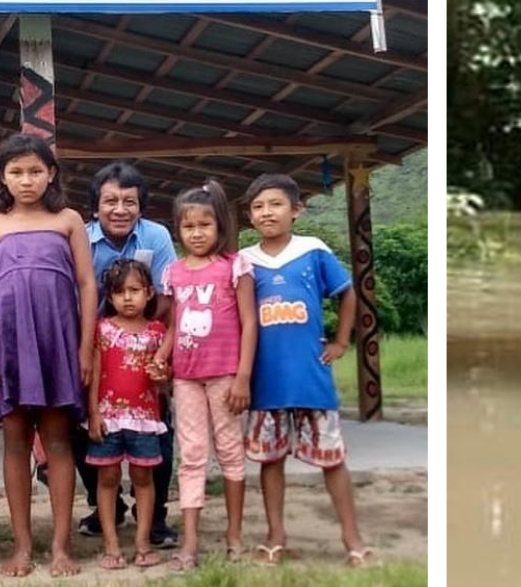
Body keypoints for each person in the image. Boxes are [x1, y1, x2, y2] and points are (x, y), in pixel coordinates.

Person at [0, 133, 98, 577]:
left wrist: (84, 347)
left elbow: (86, 284)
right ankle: (22, 546)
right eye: (16, 172)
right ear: (3, 178)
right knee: (17, 442)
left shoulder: (69, 220)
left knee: (60, 442)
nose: (26, 181)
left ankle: (62, 546)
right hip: (6, 345)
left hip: (57, 342)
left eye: (35, 171)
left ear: (51, 174)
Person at [239, 174, 374, 567]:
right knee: (270, 460)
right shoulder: (246, 261)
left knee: (333, 459)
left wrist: (341, 341)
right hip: (267, 382)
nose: (268, 212)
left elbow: (348, 292)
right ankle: (275, 535)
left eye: (276, 204)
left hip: (312, 377)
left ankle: (352, 538)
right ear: (250, 217)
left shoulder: (313, 251)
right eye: (259, 207)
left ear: (296, 210)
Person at [76, 162, 178, 547]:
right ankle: (106, 507)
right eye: (110, 201)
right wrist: (90, 347)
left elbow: (167, 296)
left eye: (129, 201)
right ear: (95, 206)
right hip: (93, 343)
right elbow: (72, 298)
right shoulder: (80, 239)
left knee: (158, 433)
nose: (120, 209)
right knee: (85, 432)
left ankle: (154, 519)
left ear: (141, 206)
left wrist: (153, 344)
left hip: (146, 344)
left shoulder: (157, 235)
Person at [156, 180, 257, 571]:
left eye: (205, 225)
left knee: (231, 453)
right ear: (178, 230)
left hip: (226, 377)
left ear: (220, 227)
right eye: (188, 227)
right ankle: (192, 542)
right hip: (186, 377)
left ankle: (234, 536)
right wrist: (161, 359)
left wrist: (243, 377)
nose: (197, 234)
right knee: (192, 456)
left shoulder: (235, 266)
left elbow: (250, 324)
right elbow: (172, 325)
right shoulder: (173, 272)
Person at [85, 258, 170, 570]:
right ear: (110, 297)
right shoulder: (101, 330)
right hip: (107, 418)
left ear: (149, 293)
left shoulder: (158, 333)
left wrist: (163, 375)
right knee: (107, 478)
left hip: (145, 418)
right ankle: (111, 544)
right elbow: (93, 375)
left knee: (142, 477)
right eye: (120, 292)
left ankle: (143, 543)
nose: (128, 297)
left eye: (135, 290)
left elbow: (167, 376)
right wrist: (93, 414)